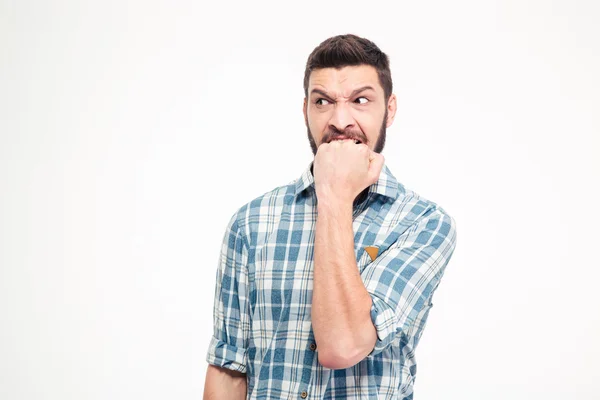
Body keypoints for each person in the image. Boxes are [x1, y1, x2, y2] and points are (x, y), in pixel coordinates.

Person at [203, 34, 458, 399]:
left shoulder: (424, 223)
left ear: (390, 109)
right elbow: (228, 370)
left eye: (361, 100)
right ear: (305, 110)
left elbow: (344, 345)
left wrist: (335, 195)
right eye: (322, 101)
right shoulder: (251, 223)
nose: (340, 121)